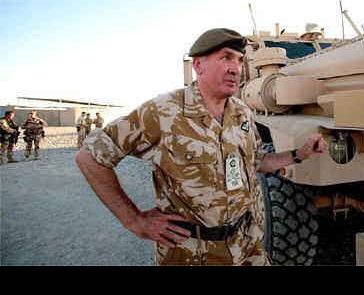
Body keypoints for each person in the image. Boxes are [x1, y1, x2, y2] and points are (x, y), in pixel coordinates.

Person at [75, 28, 327, 266]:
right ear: (198, 65)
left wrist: (298, 154)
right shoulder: (163, 112)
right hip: (192, 253)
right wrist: (134, 220)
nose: (236, 69)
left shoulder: (242, 112)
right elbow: (89, 157)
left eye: (240, 60)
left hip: (246, 245)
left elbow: (255, 161)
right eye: (226, 58)